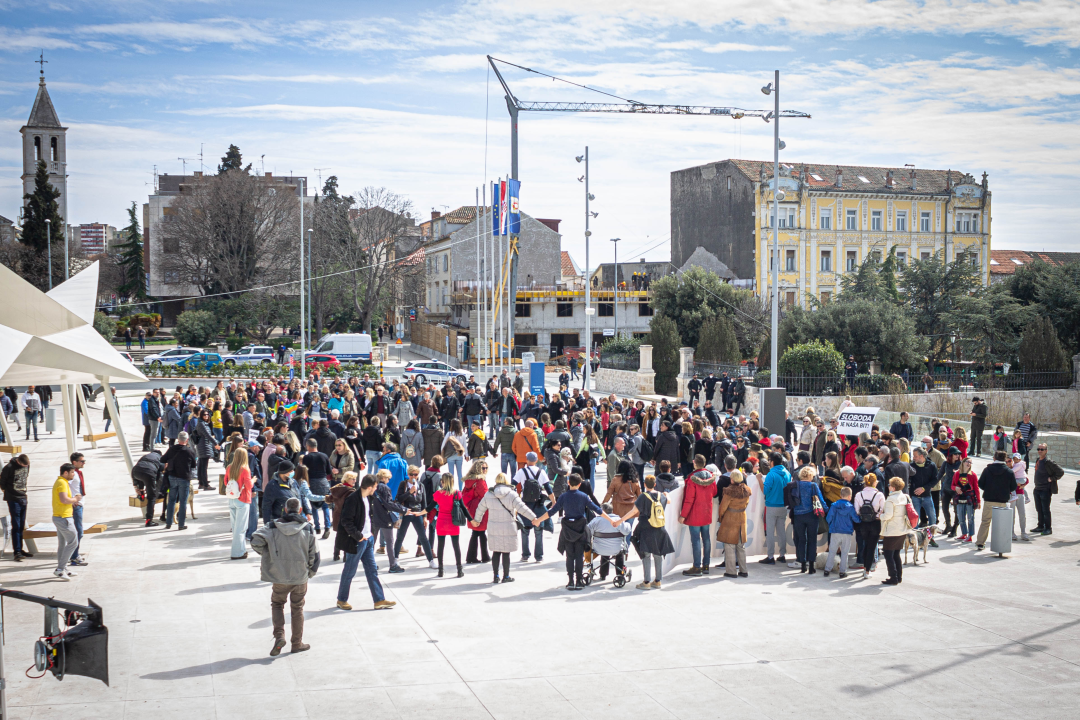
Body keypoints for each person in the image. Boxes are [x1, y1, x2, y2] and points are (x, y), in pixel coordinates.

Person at [251, 497, 319, 655]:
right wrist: (309, 573)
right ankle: (297, 643)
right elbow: (315, 555)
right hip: (300, 576)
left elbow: (255, 540)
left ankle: (279, 636)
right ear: (300, 510)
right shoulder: (307, 528)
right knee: (297, 608)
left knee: (277, 604)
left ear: (285, 510)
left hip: (279, 576)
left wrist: (270, 556)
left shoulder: (272, 526)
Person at [532, 474, 605, 590]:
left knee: (570, 556)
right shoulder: (584, 496)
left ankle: (571, 581)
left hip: (567, 529)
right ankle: (579, 581)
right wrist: (611, 520)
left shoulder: (563, 496)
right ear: (580, 484)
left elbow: (552, 511)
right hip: (580, 528)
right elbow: (597, 509)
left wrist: (538, 520)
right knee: (579, 556)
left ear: (568, 483)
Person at [336, 475, 396, 611]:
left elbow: (370, 517)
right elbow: (346, 521)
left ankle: (379, 600)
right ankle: (341, 599)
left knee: (372, 571)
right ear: (369, 487)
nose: (376, 489)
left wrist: (372, 532)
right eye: (375, 487)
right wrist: (359, 536)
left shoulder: (369, 498)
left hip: (368, 540)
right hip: (358, 541)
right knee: (350, 571)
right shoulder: (352, 499)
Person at [470, 472, 538, 583]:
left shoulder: (489, 494)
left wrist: (477, 520)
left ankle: (496, 576)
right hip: (508, 526)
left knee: (496, 551)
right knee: (506, 552)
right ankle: (506, 576)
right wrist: (534, 518)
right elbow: (522, 508)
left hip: (493, 526)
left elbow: (480, 508)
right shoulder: (512, 494)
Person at [679, 455, 717, 576]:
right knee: (706, 539)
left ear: (694, 463)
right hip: (706, 512)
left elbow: (689, 499)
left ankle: (696, 567)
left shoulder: (692, 479)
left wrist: (683, 515)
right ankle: (706, 565)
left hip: (695, 513)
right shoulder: (711, 477)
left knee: (695, 540)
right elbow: (714, 492)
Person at [514, 451, 554, 562]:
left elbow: (513, 484)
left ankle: (525, 555)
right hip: (538, 505)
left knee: (525, 531)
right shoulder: (541, 472)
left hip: (525, 505)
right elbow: (548, 488)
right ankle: (539, 556)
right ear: (536, 461)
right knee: (538, 531)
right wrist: (554, 501)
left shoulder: (521, 471)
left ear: (527, 460)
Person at [393, 466, 437, 569]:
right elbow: (399, 499)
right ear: (408, 475)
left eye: (415, 474)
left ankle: (430, 560)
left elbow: (424, 502)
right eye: (411, 474)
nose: (413, 476)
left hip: (417, 513)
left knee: (423, 537)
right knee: (400, 536)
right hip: (406, 512)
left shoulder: (420, 485)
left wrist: (425, 516)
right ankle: (395, 558)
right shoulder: (403, 484)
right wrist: (409, 492)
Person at [974, 451, 1018, 550]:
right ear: (1006, 459)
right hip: (1003, 501)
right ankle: (1000, 545)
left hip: (989, 499)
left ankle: (980, 543)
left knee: (985, 522)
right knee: (1001, 523)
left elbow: (980, 483)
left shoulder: (987, 469)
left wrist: (989, 489)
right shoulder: (1009, 471)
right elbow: (1013, 487)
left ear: (994, 458)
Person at [790, 465, 827, 574]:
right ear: (811, 475)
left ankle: (802, 565)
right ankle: (811, 566)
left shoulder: (795, 485)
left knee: (801, 540)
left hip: (798, 516)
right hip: (811, 515)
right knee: (812, 540)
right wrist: (827, 510)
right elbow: (820, 499)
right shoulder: (813, 486)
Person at [717, 469, 752, 578]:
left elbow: (722, 508)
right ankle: (743, 570)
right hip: (742, 518)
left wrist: (721, 518)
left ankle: (731, 571)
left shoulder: (728, 492)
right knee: (741, 546)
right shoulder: (746, 490)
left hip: (730, 519)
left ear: (732, 479)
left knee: (729, 545)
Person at [758, 453, 790, 566]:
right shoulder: (787, 473)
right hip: (783, 506)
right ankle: (782, 555)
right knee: (781, 531)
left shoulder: (771, 474)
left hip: (772, 505)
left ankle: (770, 556)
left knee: (770, 532)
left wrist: (759, 480)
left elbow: (765, 491)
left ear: (771, 462)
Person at [585, 502, 631, 583]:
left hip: (599, 548)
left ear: (602, 510)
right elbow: (627, 531)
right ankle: (620, 575)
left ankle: (603, 574)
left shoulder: (596, 520)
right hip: (616, 548)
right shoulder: (618, 520)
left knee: (604, 549)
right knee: (619, 552)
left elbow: (587, 531)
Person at [160, 431, 197, 530]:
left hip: (172, 477)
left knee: (171, 500)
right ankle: (181, 524)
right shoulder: (189, 451)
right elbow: (194, 465)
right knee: (183, 501)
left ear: (178, 439)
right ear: (187, 440)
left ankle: (168, 523)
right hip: (184, 478)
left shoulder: (172, 449)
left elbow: (162, 459)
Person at [879, 477, 912, 586]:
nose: (888, 487)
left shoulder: (890, 499)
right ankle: (899, 576)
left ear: (893, 487)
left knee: (888, 553)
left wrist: (880, 516)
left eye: (889, 485)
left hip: (892, 530)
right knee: (896, 553)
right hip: (902, 529)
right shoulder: (904, 496)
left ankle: (893, 577)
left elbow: (888, 515)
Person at [52, 463, 82, 580]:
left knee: (63, 544)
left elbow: (63, 500)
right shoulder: (62, 483)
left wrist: (72, 501)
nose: (74, 474)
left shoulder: (61, 482)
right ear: (65, 472)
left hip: (60, 516)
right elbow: (64, 499)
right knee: (73, 542)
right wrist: (76, 499)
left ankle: (63, 568)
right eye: (72, 472)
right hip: (64, 518)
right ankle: (60, 569)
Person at [432, 473, 465, 578]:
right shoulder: (456, 493)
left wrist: (421, 513)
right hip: (453, 522)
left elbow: (430, 506)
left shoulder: (438, 493)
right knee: (456, 546)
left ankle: (440, 570)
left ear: (443, 482)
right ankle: (459, 570)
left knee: (440, 546)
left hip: (441, 521)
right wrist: (471, 519)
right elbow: (463, 508)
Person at [822, 487, 860, 578]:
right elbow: (856, 519)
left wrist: (832, 525)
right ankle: (842, 571)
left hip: (835, 531)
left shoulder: (834, 505)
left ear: (840, 495)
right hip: (847, 532)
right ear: (850, 496)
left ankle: (827, 569)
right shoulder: (851, 507)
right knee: (845, 552)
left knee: (832, 551)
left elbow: (828, 518)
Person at [225, 444, 254, 559]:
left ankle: (242, 550)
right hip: (243, 499)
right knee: (241, 528)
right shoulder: (245, 469)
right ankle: (237, 553)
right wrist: (253, 480)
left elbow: (226, 482)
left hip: (232, 499)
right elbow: (248, 485)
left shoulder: (229, 467)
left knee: (235, 527)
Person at [852, 474, 884, 579]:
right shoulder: (879, 495)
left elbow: (856, 511)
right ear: (875, 482)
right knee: (871, 547)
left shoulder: (858, 494)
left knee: (864, 545)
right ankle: (867, 570)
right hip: (875, 522)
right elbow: (883, 510)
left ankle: (864, 566)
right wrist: (877, 516)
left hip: (862, 523)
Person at [1, 454, 31, 561]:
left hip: (23, 496)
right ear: (18, 461)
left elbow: (26, 476)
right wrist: (8, 492)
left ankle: (21, 549)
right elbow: (2, 483)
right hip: (13, 499)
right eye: (23, 465)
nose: (25, 467)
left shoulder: (27, 465)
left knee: (21, 525)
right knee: (16, 525)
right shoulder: (8, 468)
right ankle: (17, 551)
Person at [1030, 443, 1063, 537]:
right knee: (1039, 509)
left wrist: (1052, 478)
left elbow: (1060, 471)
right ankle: (1040, 526)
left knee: (1045, 510)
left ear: (1046, 451)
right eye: (1038, 449)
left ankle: (1048, 528)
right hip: (1037, 488)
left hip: (1045, 489)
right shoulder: (1038, 460)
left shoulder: (1048, 462)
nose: (1040, 451)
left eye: (1042, 449)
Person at [462, 461, 491, 564]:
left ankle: (472, 556)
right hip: (480, 508)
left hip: (471, 508)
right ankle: (484, 556)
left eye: (486, 467)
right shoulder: (480, 480)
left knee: (476, 532)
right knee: (481, 533)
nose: (485, 470)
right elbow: (484, 495)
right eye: (483, 468)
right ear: (478, 469)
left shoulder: (468, 480)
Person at [131, 449, 164, 528]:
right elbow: (159, 476)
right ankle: (149, 520)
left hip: (135, 471)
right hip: (149, 473)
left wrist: (136, 485)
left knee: (141, 477)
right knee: (151, 497)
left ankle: (141, 493)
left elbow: (138, 466)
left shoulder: (145, 456)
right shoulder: (160, 458)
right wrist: (155, 490)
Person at [951, 459, 980, 543]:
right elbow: (952, 485)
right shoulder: (957, 474)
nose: (969, 463)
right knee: (961, 518)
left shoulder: (973, 475)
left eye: (970, 462)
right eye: (967, 462)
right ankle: (964, 534)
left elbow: (976, 489)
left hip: (969, 499)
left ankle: (970, 535)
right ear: (963, 463)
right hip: (960, 498)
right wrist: (955, 488)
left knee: (970, 518)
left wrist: (978, 501)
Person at [1006, 453, 1030, 542]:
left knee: (1022, 514)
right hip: (1011, 496)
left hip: (1020, 494)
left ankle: (1023, 533)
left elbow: (1026, 479)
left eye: (1009, 461)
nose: (1008, 463)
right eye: (1006, 461)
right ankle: (1012, 533)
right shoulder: (1006, 471)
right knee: (1012, 515)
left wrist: (1023, 484)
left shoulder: (1018, 467)